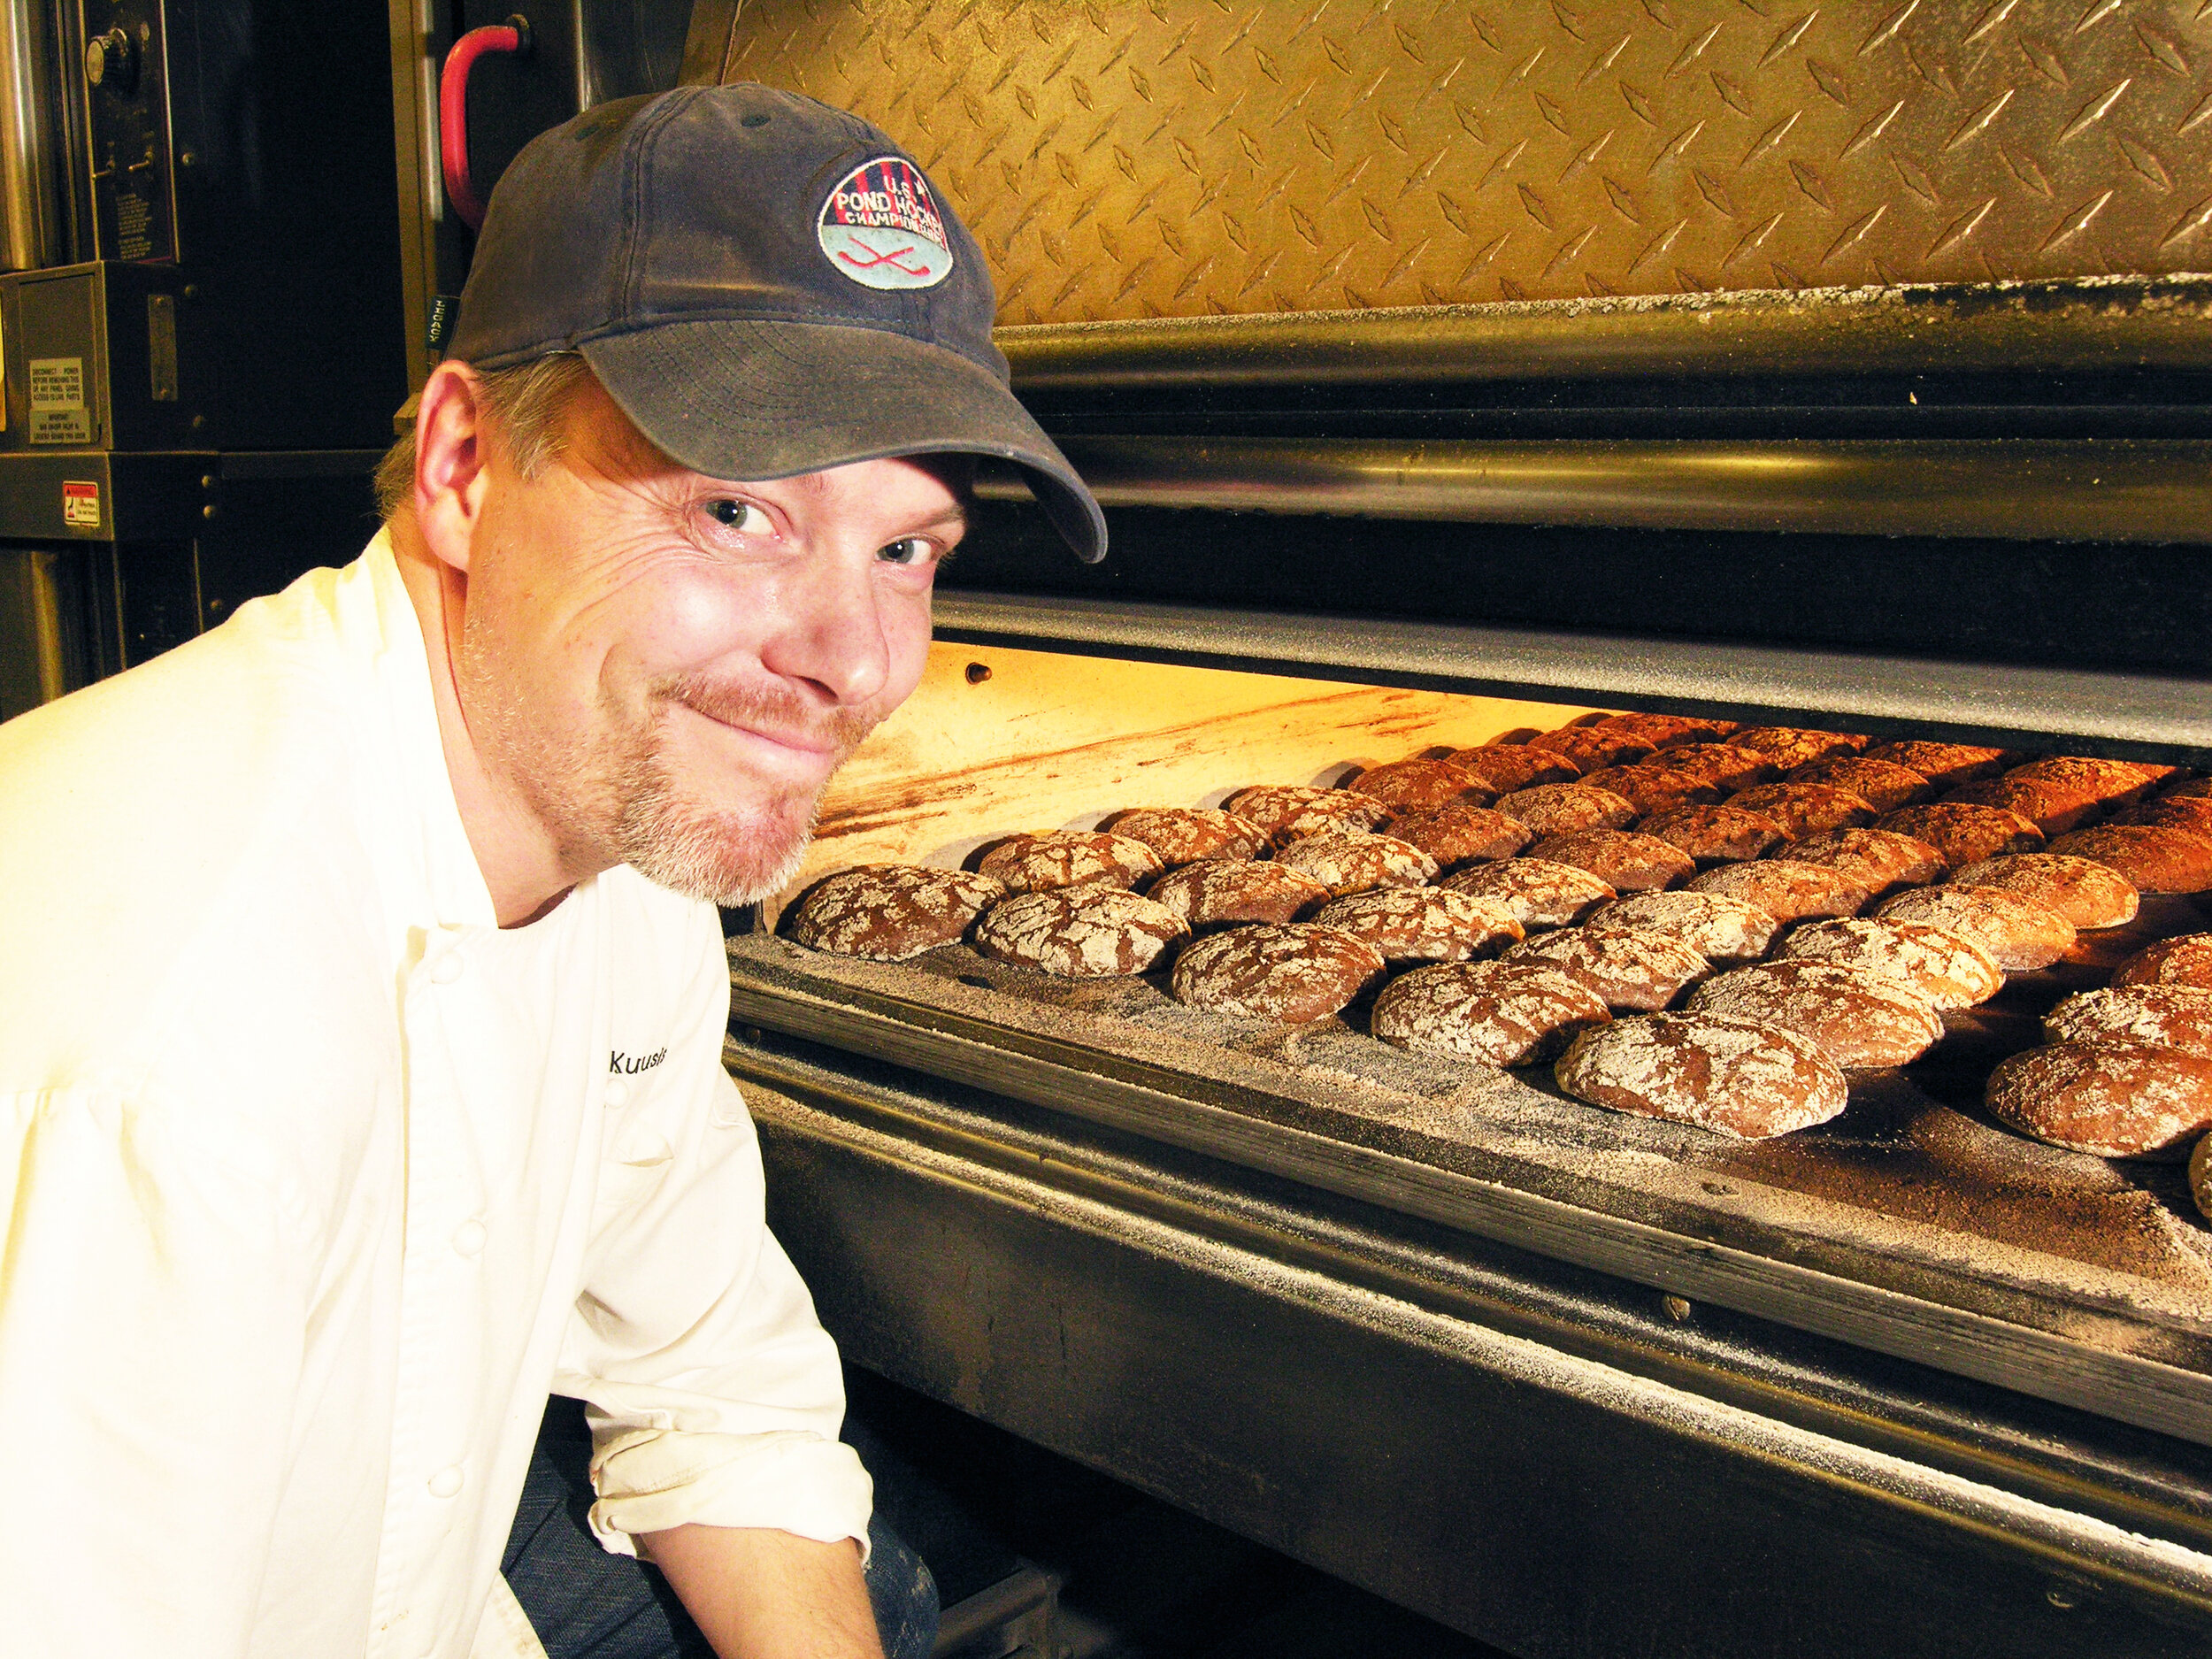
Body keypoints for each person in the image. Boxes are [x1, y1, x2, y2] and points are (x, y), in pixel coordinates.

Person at [0, 83, 1103, 1659]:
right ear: (463, 465)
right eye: (735, 510)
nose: (855, 665)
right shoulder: (161, 1054)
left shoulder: (616, 821)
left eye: (904, 549)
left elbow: (709, 1374)